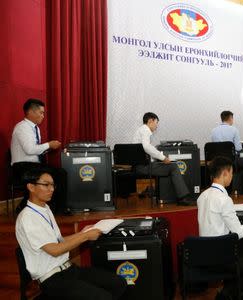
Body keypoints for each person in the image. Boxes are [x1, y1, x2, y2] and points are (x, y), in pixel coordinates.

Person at [15, 168, 127, 300]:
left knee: (118, 283)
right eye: (46, 185)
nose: (51, 189)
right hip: (52, 279)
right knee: (103, 297)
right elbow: (55, 250)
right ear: (31, 187)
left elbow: (59, 241)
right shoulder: (28, 218)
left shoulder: (44, 208)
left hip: (67, 269)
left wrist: (83, 232)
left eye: (52, 185)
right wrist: (85, 236)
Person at [197, 156, 243, 299]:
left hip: (203, 254)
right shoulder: (224, 199)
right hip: (220, 259)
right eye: (232, 173)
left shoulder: (202, 196)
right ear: (225, 173)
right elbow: (238, 233)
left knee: (240, 256)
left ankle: (226, 295)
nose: (232, 176)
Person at [11, 98, 66, 213]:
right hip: (22, 167)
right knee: (60, 174)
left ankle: (26, 206)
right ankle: (58, 209)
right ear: (31, 112)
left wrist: (48, 148)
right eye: (41, 113)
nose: (43, 116)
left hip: (31, 165)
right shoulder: (22, 127)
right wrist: (48, 144)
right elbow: (30, 150)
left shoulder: (35, 128)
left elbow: (35, 150)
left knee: (56, 172)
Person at [133, 112, 191, 205]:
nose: (156, 126)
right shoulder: (145, 130)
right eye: (156, 123)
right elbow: (146, 147)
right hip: (143, 167)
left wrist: (160, 157)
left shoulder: (141, 130)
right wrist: (163, 158)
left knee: (169, 167)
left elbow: (146, 149)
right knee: (174, 167)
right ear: (150, 121)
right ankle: (182, 199)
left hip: (139, 165)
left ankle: (176, 197)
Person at [211, 111, 243, 193]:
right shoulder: (234, 130)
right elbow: (238, 149)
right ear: (230, 118)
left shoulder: (214, 131)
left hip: (218, 162)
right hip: (231, 161)